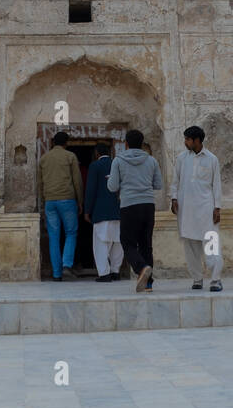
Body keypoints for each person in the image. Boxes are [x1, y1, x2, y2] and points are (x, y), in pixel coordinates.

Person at [107, 130, 162, 292]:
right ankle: (148, 283)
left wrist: (112, 178)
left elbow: (113, 186)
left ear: (126, 143)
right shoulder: (151, 160)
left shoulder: (118, 161)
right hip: (148, 205)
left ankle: (141, 267)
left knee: (128, 242)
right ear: (142, 143)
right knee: (146, 244)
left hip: (129, 205)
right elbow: (158, 185)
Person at [171, 125, 223, 292]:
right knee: (190, 246)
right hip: (186, 211)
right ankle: (197, 279)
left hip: (206, 210)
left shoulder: (212, 159)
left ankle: (215, 279)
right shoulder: (181, 158)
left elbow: (217, 186)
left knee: (211, 244)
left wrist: (217, 208)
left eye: (188, 139)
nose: (185, 142)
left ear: (197, 140)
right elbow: (175, 181)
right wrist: (173, 198)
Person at [38, 130, 83, 282]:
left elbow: (39, 184)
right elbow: (77, 181)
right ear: (66, 143)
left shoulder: (44, 159)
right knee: (71, 232)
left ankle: (57, 274)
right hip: (67, 200)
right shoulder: (70, 156)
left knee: (53, 237)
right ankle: (67, 265)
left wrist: (42, 203)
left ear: (52, 143)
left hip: (50, 201)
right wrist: (80, 201)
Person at [84, 142, 122, 282]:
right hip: (118, 210)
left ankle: (104, 273)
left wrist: (87, 210)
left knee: (101, 243)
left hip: (100, 211)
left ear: (97, 153)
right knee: (117, 242)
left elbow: (91, 190)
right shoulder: (118, 164)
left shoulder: (95, 166)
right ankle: (115, 271)